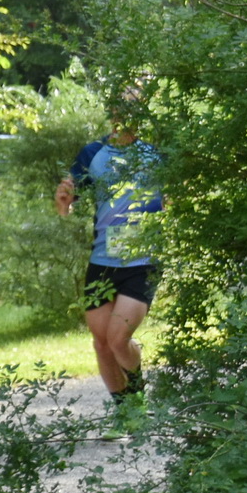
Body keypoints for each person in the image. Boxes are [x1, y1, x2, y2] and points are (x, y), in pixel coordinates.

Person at [54, 96, 164, 409]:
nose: (125, 114)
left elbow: (174, 197)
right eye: (120, 107)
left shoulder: (155, 153)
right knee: (102, 344)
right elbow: (70, 194)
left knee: (117, 339)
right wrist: (65, 199)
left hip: (143, 260)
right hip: (101, 261)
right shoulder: (93, 153)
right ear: (112, 111)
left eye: (133, 107)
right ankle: (125, 411)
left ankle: (137, 398)